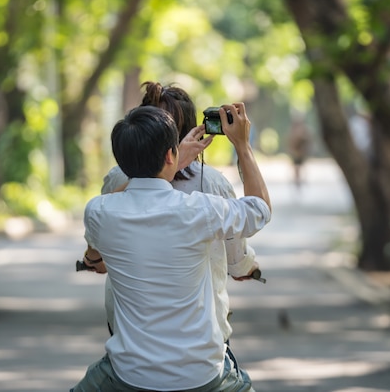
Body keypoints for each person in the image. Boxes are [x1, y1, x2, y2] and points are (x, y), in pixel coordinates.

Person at [71, 103, 271, 391]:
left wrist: (166, 164)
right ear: (170, 154)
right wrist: (241, 144)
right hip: (202, 375)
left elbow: (94, 252)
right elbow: (260, 209)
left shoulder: (99, 212)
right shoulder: (198, 210)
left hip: (129, 374)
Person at [96, 82, 260, 349]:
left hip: (129, 338)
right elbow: (238, 252)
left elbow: (100, 247)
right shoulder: (212, 185)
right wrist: (242, 145)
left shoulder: (116, 181)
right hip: (201, 343)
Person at [287, 116, 312, 188]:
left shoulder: (304, 130)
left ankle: (300, 180)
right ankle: (297, 180)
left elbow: (308, 140)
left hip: (301, 152)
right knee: (296, 167)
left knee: (300, 166)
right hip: (295, 152)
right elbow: (290, 141)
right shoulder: (293, 130)